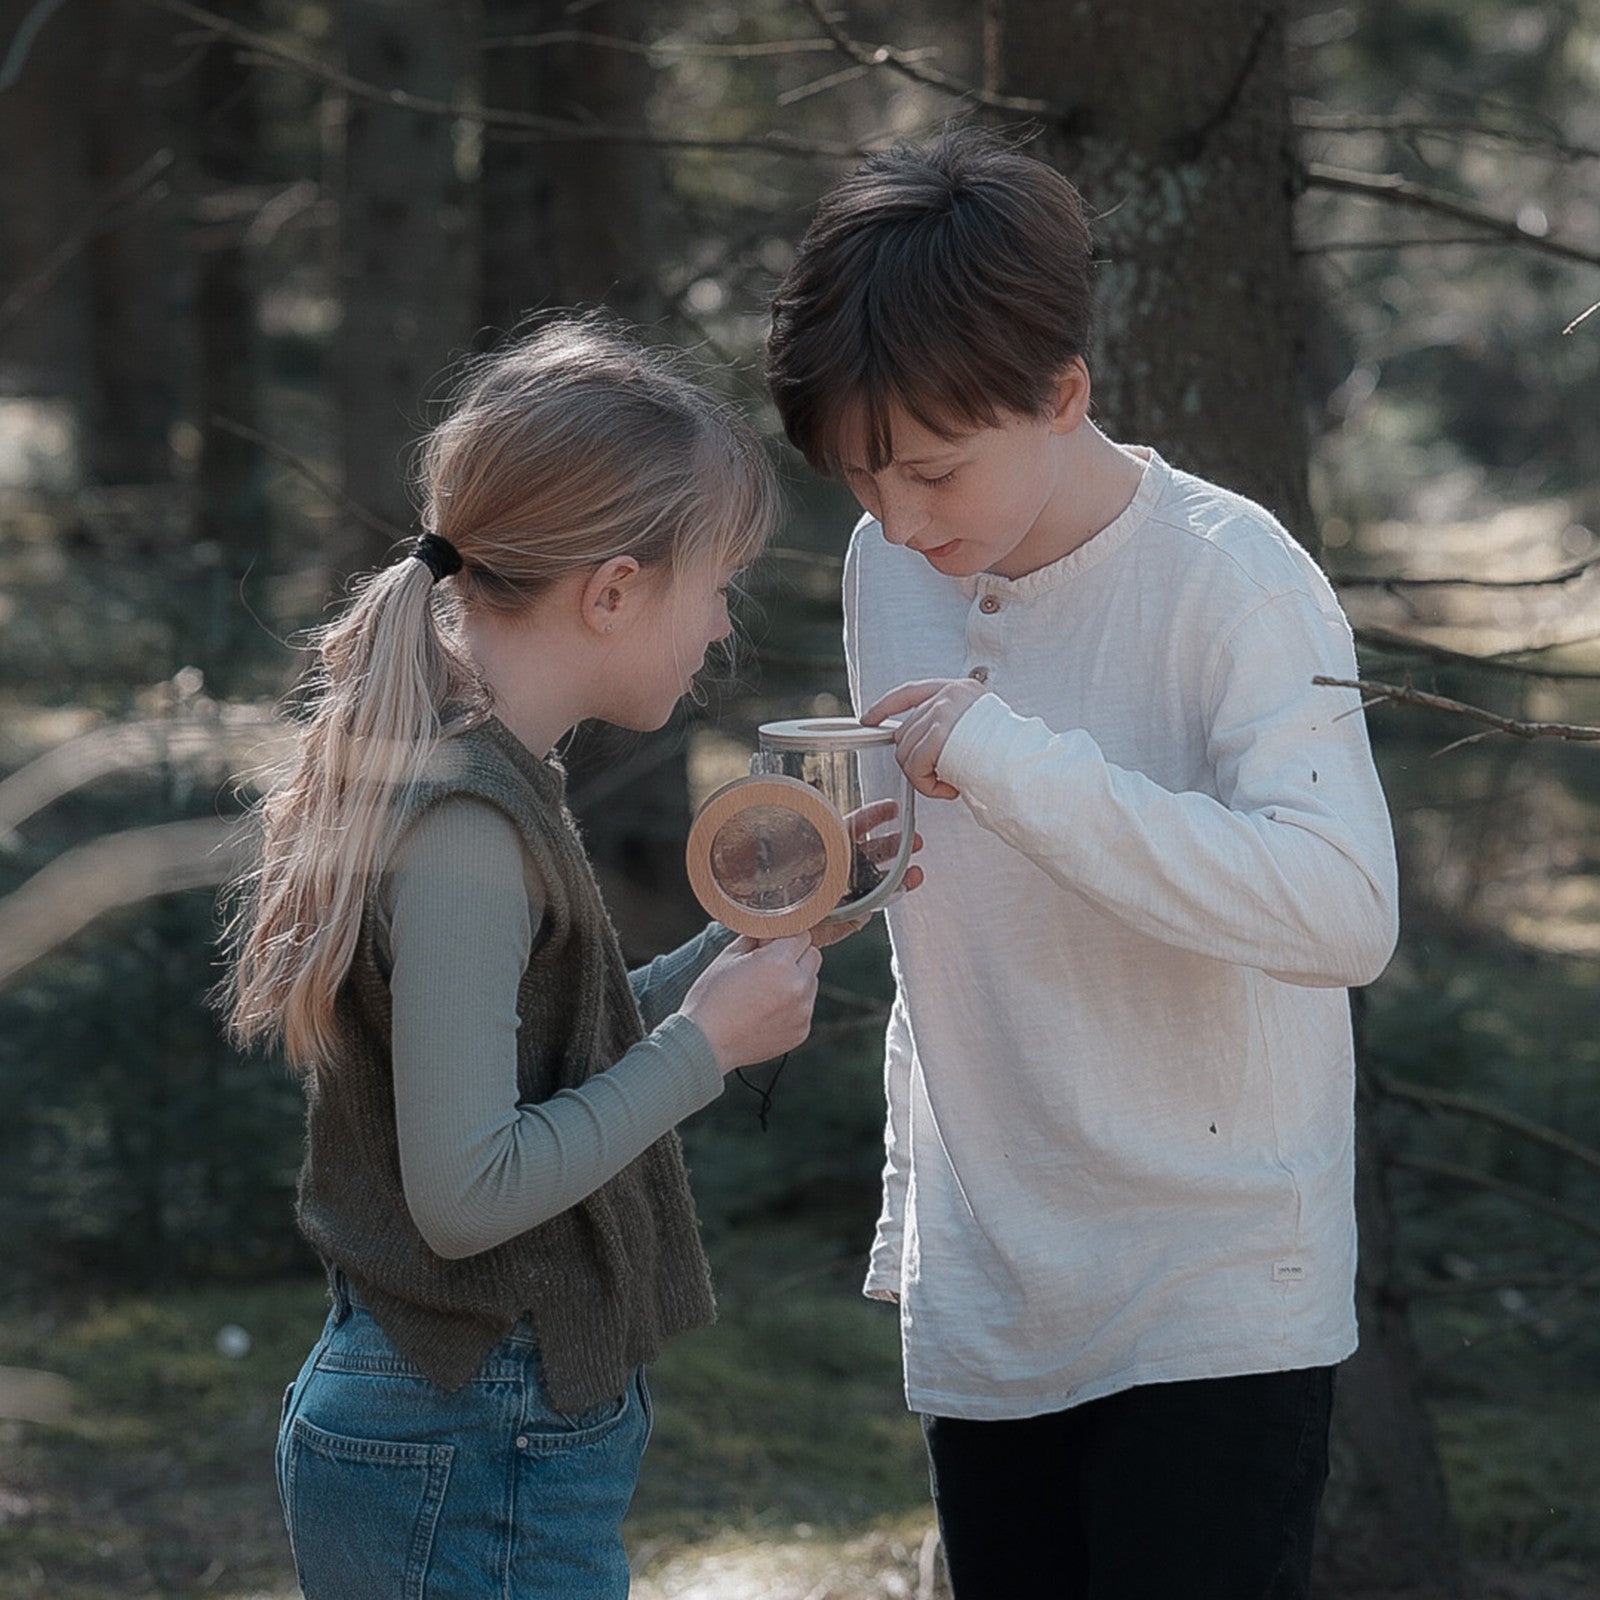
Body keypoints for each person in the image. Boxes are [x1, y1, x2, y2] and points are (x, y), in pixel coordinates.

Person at [765, 127, 1399, 1599]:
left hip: (1214, 1283)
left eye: (932, 470)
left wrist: (1006, 761)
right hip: (992, 1272)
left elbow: (1343, 909)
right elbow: (991, 843)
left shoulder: (1233, 577)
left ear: (1063, 396)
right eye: (861, 481)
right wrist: (867, 864)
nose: (903, 521)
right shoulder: (890, 565)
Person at [219, 318, 832, 1600]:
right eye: (715, 584)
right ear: (612, 590)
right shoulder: (464, 828)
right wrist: (704, 1049)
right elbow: (469, 1189)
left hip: (475, 1428)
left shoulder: (494, 780)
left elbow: (554, 1056)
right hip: (467, 1438)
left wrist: (776, 918)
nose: (722, 627)